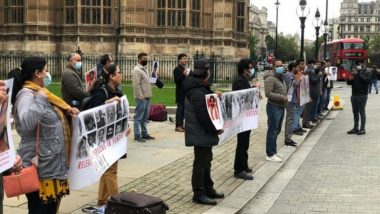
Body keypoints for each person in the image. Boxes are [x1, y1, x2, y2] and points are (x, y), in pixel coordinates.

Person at [13, 56, 79, 214]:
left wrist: (67, 111)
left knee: (50, 209)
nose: (48, 74)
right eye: (46, 70)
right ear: (38, 73)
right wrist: (41, 98)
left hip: (51, 165)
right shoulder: (27, 95)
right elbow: (25, 123)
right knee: (40, 209)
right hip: (39, 167)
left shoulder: (42, 94)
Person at [85, 63, 131, 209]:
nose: (121, 75)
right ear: (111, 76)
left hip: (114, 137)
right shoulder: (102, 92)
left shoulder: (116, 92)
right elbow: (91, 113)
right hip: (104, 139)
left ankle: (102, 200)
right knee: (111, 171)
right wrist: (106, 103)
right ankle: (117, 204)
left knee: (107, 170)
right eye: (119, 72)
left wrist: (126, 127)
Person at [183, 58, 224, 205]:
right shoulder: (196, 89)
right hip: (200, 131)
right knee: (201, 163)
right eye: (209, 70)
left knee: (206, 161)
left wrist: (214, 95)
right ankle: (199, 193)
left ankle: (208, 187)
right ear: (205, 72)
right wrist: (216, 129)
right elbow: (203, 114)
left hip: (200, 131)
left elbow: (205, 100)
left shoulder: (198, 86)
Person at [232, 58, 256, 180]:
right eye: (250, 68)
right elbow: (242, 98)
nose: (251, 70)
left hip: (246, 116)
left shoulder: (243, 80)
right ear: (244, 69)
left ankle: (244, 165)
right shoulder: (239, 81)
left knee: (245, 142)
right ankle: (239, 169)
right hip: (241, 117)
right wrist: (253, 90)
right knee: (242, 143)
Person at [264, 59, 287, 162]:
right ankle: (270, 153)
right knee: (272, 130)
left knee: (277, 130)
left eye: (281, 65)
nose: (280, 67)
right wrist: (282, 97)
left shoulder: (280, 78)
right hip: (273, 107)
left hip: (281, 107)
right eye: (277, 66)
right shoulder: (270, 79)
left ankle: (273, 150)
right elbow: (268, 94)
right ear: (273, 67)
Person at [132, 53, 155, 142]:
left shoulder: (145, 69)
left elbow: (148, 82)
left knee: (145, 117)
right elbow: (136, 84)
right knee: (139, 117)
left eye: (146, 58)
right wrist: (140, 96)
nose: (146, 60)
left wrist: (155, 76)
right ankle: (137, 135)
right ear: (139, 59)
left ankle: (144, 133)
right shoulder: (137, 70)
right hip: (141, 97)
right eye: (144, 58)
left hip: (147, 95)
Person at [347, 64, 372, 135]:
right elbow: (349, 83)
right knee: (355, 112)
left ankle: (362, 129)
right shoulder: (355, 72)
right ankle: (355, 128)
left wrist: (358, 74)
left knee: (361, 112)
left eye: (361, 64)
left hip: (362, 95)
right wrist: (349, 79)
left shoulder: (367, 72)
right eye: (358, 64)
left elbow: (367, 81)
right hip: (354, 95)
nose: (359, 66)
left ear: (364, 65)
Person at [283, 63, 302, 146]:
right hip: (289, 100)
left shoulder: (291, 75)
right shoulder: (288, 75)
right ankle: (288, 139)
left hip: (292, 99)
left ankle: (289, 137)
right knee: (290, 119)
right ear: (293, 67)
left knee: (290, 119)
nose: (298, 69)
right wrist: (299, 79)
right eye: (297, 67)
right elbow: (292, 85)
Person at [173, 53, 189, 132]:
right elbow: (177, 81)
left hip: (187, 92)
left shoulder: (186, 69)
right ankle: (178, 125)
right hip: (180, 93)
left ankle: (182, 124)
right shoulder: (177, 69)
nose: (186, 60)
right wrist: (183, 74)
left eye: (186, 58)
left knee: (185, 110)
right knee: (180, 109)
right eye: (184, 58)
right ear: (179, 60)